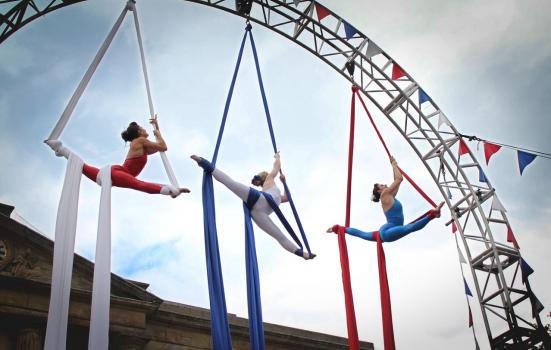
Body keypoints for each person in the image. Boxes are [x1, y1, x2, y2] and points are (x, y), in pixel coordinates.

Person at [191, 153, 315, 260]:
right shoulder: (269, 180)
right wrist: (277, 157)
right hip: (260, 199)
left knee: (279, 236)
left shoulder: (278, 197)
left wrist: (284, 183)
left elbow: (288, 198)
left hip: (259, 213)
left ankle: (302, 254)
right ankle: (203, 162)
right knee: (231, 184)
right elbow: (276, 166)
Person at [46, 115, 189, 198]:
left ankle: (59, 148)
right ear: (140, 132)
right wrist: (158, 133)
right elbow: (163, 146)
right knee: (138, 185)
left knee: (82, 167)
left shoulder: (142, 145)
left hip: (114, 173)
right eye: (143, 127)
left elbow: (159, 148)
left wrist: (157, 129)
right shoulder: (139, 141)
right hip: (117, 173)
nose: (146, 129)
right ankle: (169, 190)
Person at [327, 156, 443, 242]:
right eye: (381, 185)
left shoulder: (389, 195)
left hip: (388, 228)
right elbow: (399, 179)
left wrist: (393, 166)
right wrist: (393, 164)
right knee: (410, 228)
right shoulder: (385, 195)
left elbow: (396, 181)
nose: (385, 184)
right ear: (379, 191)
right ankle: (432, 215)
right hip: (387, 232)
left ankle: (337, 228)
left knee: (362, 234)